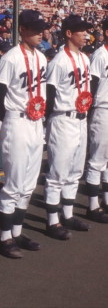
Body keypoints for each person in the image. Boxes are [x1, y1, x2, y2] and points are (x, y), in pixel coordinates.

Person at [0, 10, 48, 258]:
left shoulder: (42, 58)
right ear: (22, 30)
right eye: (34, 29)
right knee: (13, 183)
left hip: (36, 122)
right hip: (17, 120)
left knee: (28, 184)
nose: (39, 33)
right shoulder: (11, 58)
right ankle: (4, 239)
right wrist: (7, 118)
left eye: (41, 29)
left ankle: (17, 231)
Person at [44, 14, 93, 240]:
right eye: (80, 30)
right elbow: (50, 94)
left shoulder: (84, 59)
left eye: (86, 30)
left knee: (75, 171)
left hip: (80, 118)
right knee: (58, 172)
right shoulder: (58, 61)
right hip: (63, 118)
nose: (85, 33)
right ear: (68, 33)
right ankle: (52, 221)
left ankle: (68, 214)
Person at [84, 18, 108, 223]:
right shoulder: (100, 55)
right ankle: (92, 206)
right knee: (97, 159)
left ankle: (106, 200)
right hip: (102, 110)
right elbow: (92, 86)